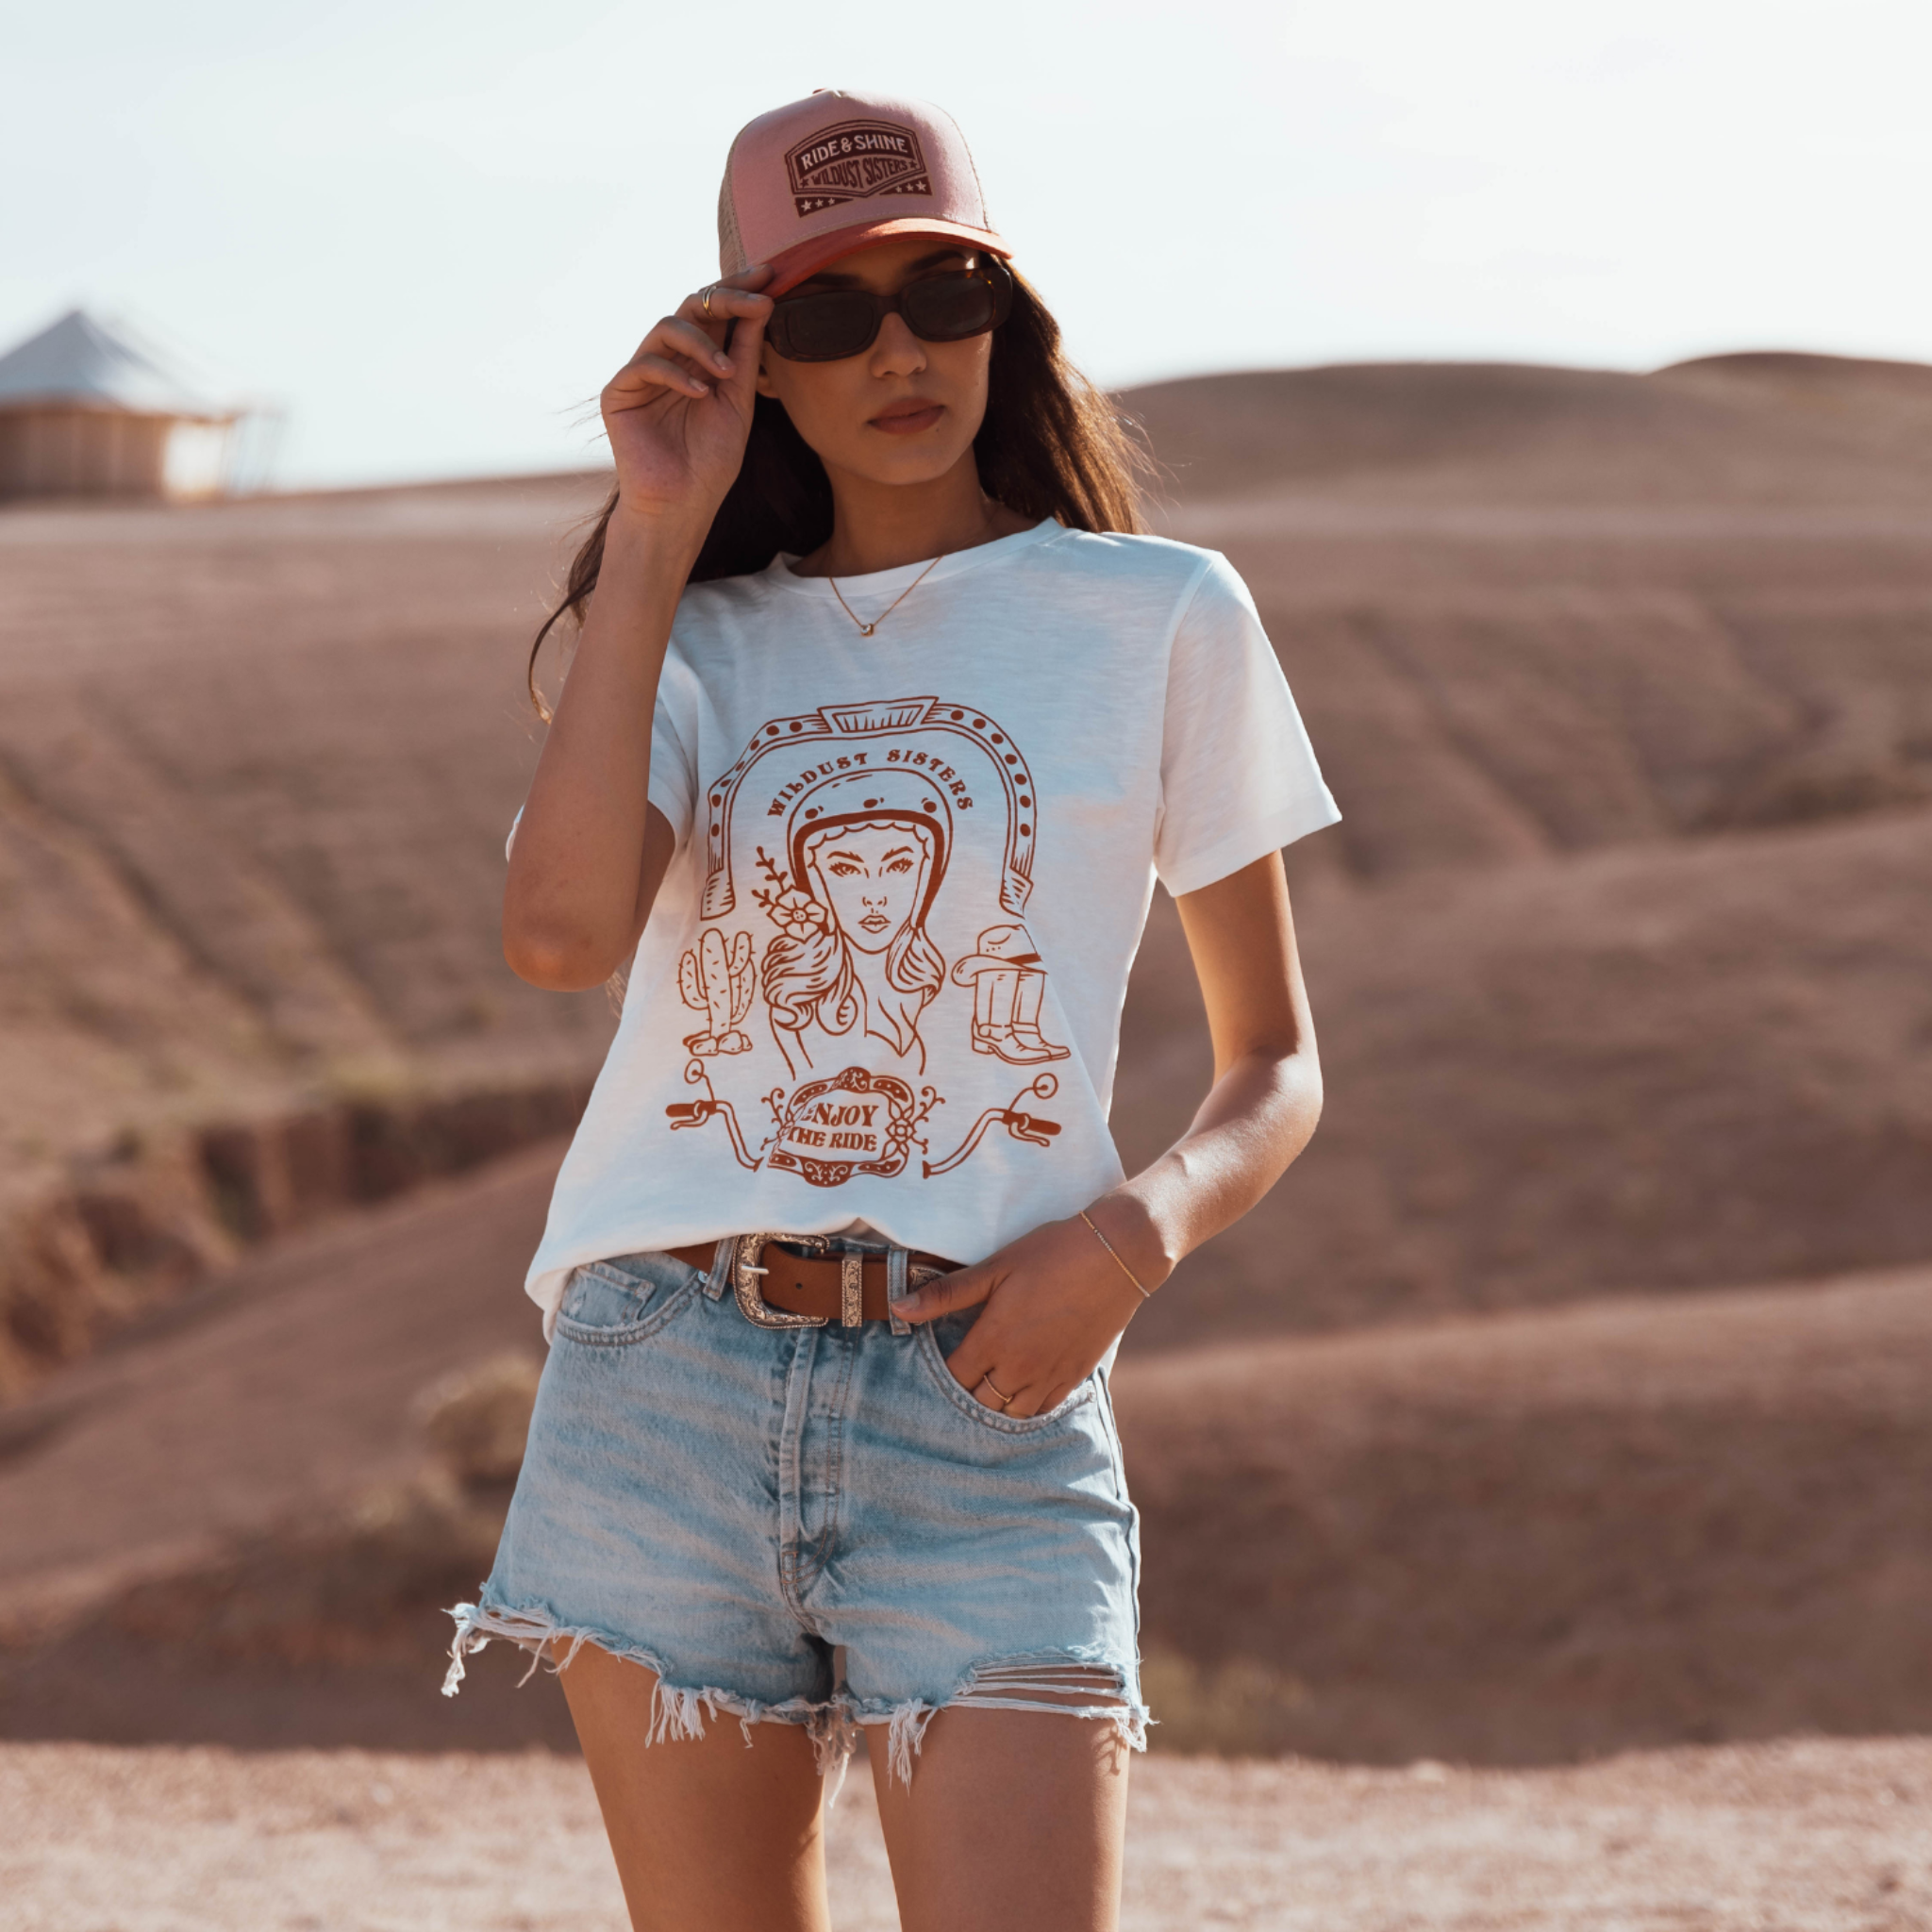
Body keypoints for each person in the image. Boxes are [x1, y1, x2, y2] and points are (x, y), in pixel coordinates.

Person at [443, 88, 1338, 1932]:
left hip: (988, 1378)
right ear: (751, 352)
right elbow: (554, 938)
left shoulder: (1157, 612)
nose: (900, 348)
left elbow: (1274, 1063)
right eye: (829, 314)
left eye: (942, 293)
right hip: (665, 1369)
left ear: (1007, 320)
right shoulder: (697, 636)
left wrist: (1132, 1234)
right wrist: (650, 535)